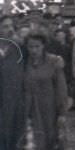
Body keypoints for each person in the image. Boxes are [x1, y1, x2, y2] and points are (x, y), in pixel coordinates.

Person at [22, 31, 68, 150]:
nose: (34, 50)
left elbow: (61, 89)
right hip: (28, 110)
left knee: (49, 141)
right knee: (30, 142)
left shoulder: (53, 61)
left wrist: (62, 112)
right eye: (30, 46)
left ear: (43, 46)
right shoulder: (23, 62)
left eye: (37, 46)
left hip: (48, 110)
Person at [0, 15, 25, 150]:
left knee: (14, 136)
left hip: (15, 99)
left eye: (11, 26)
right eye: (5, 26)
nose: (10, 29)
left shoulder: (19, 47)